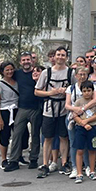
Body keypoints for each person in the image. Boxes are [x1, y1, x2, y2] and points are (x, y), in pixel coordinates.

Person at [34, 46, 75, 179]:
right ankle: (46, 164)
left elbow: (76, 89)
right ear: (54, 56)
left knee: (64, 136)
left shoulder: (71, 73)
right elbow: (37, 91)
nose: (60, 57)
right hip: (49, 109)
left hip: (64, 107)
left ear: (66, 57)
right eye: (58, 55)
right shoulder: (47, 73)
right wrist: (50, 93)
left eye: (63, 55)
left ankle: (64, 163)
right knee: (48, 137)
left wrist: (66, 91)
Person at [4, 52, 42, 172]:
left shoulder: (38, 73)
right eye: (24, 60)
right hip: (22, 107)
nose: (26, 62)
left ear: (32, 61)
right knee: (16, 134)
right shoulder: (17, 74)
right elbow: (7, 79)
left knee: (35, 135)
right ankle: (14, 160)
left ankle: (34, 159)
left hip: (36, 107)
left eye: (28, 60)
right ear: (20, 62)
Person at [65, 66, 96, 179]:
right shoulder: (71, 88)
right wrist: (76, 110)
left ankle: (88, 166)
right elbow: (67, 104)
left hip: (89, 118)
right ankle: (75, 167)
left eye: (84, 74)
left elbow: (95, 100)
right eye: (80, 74)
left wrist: (82, 109)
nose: (82, 76)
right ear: (76, 75)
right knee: (75, 143)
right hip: (74, 117)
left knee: (88, 144)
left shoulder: (92, 86)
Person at [0, 61, 26, 169]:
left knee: (22, 134)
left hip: (17, 110)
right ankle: (4, 159)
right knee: (4, 135)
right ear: (2, 71)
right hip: (5, 111)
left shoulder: (17, 82)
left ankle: (19, 155)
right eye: (7, 70)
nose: (10, 72)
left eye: (11, 69)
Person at [70, 81, 96, 183]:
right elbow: (75, 116)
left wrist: (87, 121)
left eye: (89, 90)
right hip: (80, 128)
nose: (87, 93)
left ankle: (92, 171)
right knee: (80, 150)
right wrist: (83, 124)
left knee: (92, 150)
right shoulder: (78, 102)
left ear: (92, 91)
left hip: (93, 127)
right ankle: (79, 173)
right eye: (84, 91)